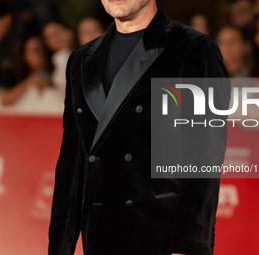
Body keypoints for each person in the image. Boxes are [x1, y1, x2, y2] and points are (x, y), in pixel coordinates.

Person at [48, 1, 230, 255]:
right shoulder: (80, 60)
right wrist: (59, 247)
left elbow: (203, 160)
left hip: (160, 238)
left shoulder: (193, 49)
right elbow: (71, 165)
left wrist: (189, 246)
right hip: (100, 238)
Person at [1, 35, 53, 105]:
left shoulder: (55, 70)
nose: (39, 54)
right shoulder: (18, 75)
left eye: (41, 49)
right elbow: (5, 100)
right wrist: (28, 82)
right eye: (34, 50)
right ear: (25, 56)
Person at [42, 20, 74, 96]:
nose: (55, 38)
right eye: (49, 36)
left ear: (68, 31)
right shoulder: (57, 58)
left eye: (57, 32)